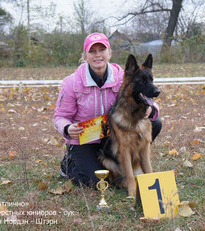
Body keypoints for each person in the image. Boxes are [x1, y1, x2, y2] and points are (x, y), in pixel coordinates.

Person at [53, 32, 161, 188]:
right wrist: (67, 128)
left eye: (102, 50)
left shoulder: (123, 77)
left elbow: (144, 95)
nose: (98, 55)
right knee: (95, 182)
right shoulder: (71, 83)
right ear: (85, 56)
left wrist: (152, 109)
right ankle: (69, 164)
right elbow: (60, 116)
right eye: (92, 51)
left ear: (109, 53)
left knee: (155, 123)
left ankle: (125, 166)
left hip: (113, 135)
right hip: (85, 139)